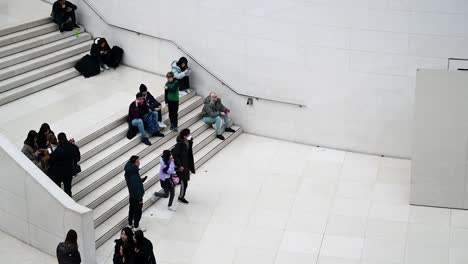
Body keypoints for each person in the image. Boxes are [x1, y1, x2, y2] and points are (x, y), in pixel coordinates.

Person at [124, 156, 147, 232]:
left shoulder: (130, 171)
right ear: (134, 163)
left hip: (132, 195)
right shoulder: (133, 173)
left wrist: (140, 180)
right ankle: (136, 227)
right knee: (137, 212)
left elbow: (135, 183)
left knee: (132, 209)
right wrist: (140, 199)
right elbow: (135, 186)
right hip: (136, 197)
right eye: (137, 161)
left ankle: (130, 223)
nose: (139, 162)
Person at [172, 129, 195, 204]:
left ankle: (182, 195)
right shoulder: (180, 144)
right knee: (183, 182)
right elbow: (175, 155)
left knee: (185, 182)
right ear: (184, 136)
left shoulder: (187, 141)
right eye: (188, 134)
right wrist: (179, 165)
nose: (190, 135)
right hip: (182, 165)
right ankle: (181, 197)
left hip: (187, 164)